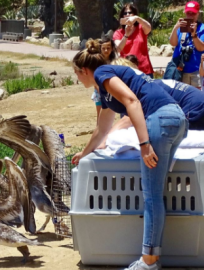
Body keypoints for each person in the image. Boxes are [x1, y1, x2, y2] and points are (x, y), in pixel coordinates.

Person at [71, 40, 188, 270]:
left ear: (84, 70)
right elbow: (102, 128)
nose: (77, 79)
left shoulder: (103, 72)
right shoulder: (104, 90)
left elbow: (132, 102)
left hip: (160, 120)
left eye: (76, 74)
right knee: (157, 191)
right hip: (177, 119)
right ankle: (153, 256)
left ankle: (149, 261)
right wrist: (85, 152)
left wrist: (144, 143)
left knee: (152, 195)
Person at [169, 1, 204, 88]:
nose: (190, 15)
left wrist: (194, 34)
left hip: (196, 70)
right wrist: (175, 27)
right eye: (188, 13)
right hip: (180, 70)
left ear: (198, 13)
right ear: (185, 12)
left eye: (193, 13)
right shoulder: (180, 27)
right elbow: (173, 43)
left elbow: (201, 48)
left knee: (197, 98)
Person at [113, 3, 154, 78]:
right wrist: (126, 35)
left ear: (134, 14)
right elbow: (118, 49)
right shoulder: (118, 33)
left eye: (130, 12)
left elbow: (149, 27)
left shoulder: (141, 28)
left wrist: (137, 18)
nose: (127, 15)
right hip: (127, 70)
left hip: (144, 69)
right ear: (122, 16)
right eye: (125, 13)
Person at [92, 35, 119, 123]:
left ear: (112, 49)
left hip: (111, 91)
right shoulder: (96, 61)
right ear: (100, 48)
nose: (106, 50)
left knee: (110, 115)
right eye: (103, 48)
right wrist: (99, 89)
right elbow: (94, 78)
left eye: (108, 48)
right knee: (100, 115)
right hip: (99, 91)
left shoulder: (114, 61)